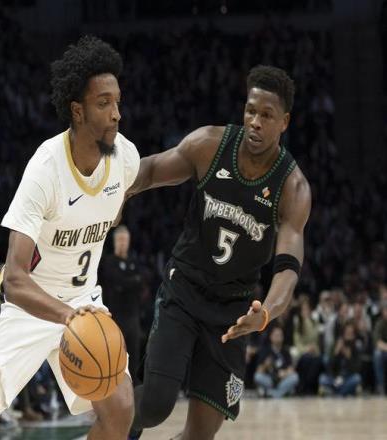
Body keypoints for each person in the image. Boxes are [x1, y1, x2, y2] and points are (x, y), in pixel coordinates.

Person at [0, 35, 140, 440]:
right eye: (104, 103)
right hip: (26, 305)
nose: (117, 114)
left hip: (82, 300)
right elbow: (15, 279)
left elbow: (125, 195)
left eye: (118, 102)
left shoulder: (125, 157)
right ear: (77, 110)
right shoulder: (45, 169)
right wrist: (67, 317)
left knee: (120, 410)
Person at [127, 65, 311, 439]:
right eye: (251, 111)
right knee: (156, 405)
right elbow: (151, 170)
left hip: (232, 311)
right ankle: (111, 425)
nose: (255, 122)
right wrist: (119, 194)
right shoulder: (210, 145)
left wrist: (265, 314)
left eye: (267, 115)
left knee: (200, 435)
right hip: (184, 291)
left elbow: (288, 269)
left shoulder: (292, 187)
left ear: (284, 122)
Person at [100, 224, 144, 380]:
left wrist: (128, 283)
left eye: (125, 240)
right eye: (120, 240)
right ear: (114, 242)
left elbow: (142, 282)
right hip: (115, 316)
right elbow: (117, 282)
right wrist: (133, 281)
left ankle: (133, 387)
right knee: (116, 355)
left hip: (133, 315)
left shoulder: (134, 261)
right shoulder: (109, 261)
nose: (122, 243)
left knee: (134, 354)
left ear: (129, 241)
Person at [254, 325, 299, 398]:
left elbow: (291, 369)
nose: (278, 338)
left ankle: (271, 393)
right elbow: (259, 371)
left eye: (280, 335)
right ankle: (281, 393)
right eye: (276, 335)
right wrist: (265, 365)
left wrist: (284, 373)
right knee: (257, 377)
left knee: (295, 377)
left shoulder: (285, 351)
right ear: (271, 337)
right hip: (270, 379)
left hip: (282, 380)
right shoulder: (265, 351)